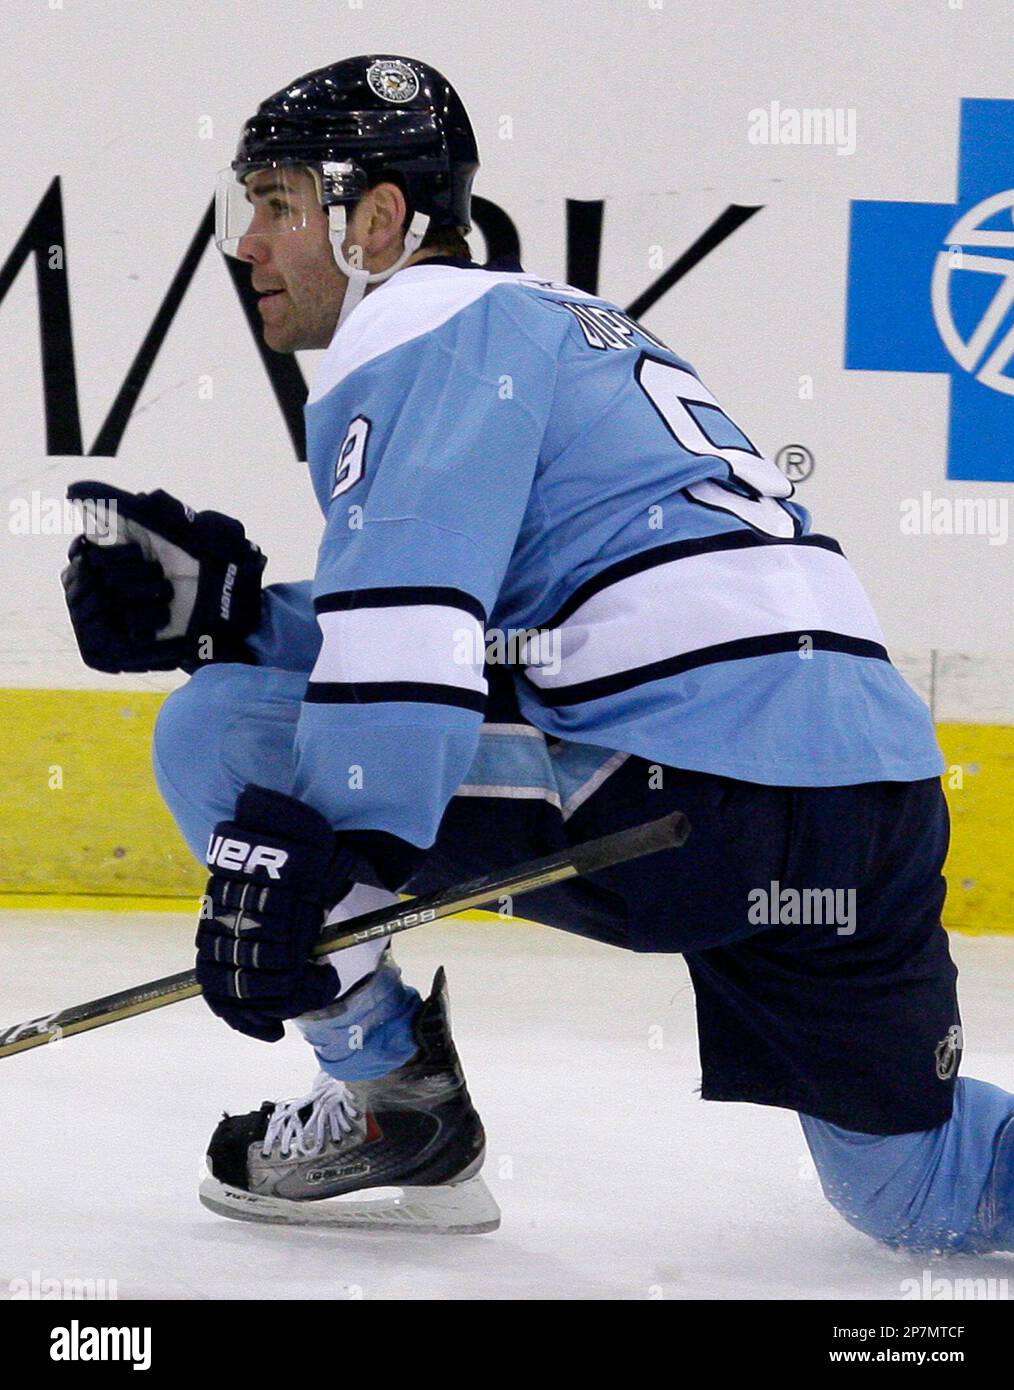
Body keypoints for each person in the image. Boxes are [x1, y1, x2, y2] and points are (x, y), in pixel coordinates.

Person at [62, 54, 1014, 1249]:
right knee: (919, 1188)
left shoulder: (413, 325)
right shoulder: (559, 326)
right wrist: (244, 613)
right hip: (864, 789)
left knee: (217, 729)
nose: (246, 243)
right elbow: (496, 625)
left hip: (684, 797)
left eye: (279, 203)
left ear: (379, 222)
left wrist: (301, 865)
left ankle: (390, 1094)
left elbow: (409, 658)